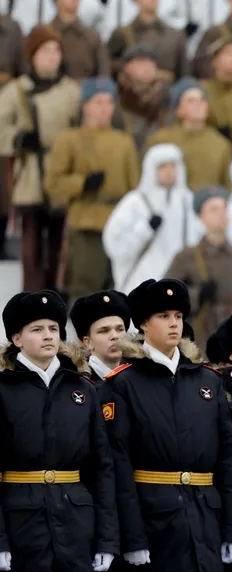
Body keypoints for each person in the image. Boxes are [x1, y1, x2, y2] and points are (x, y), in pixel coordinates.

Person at [99, 278, 232, 572]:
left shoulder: (207, 380)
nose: (174, 324)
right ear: (143, 324)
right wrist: (133, 537)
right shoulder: (123, 383)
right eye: (163, 316)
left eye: (178, 316)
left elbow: (228, 459)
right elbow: (118, 465)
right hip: (155, 519)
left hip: (206, 513)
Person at [0, 289, 118, 572]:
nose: (48, 336)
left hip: (77, 518)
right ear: (17, 339)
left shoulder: (83, 389)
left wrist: (107, 537)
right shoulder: (3, 389)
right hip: (21, 522)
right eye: (37, 329)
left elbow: (102, 468)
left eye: (53, 328)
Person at [44, 76, 141, 300]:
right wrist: (82, 183)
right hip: (86, 222)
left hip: (119, 222)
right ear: (85, 105)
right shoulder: (70, 139)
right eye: (98, 102)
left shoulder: (123, 142)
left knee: (117, 290)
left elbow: (135, 187)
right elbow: (53, 183)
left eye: (108, 102)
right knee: (86, 289)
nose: (104, 108)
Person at [0, 25, 80, 286]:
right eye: (46, 51)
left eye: (56, 50)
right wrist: (18, 138)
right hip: (30, 174)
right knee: (31, 246)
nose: (52, 56)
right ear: (33, 55)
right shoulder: (17, 90)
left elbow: (82, 131)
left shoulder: (71, 91)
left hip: (61, 174)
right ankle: (32, 301)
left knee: (59, 244)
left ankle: (55, 297)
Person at [102, 143, 201, 293]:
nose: (169, 172)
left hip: (176, 285)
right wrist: (145, 229)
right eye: (163, 167)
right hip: (140, 283)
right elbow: (114, 245)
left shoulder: (187, 201)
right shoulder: (135, 202)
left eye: (172, 166)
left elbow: (198, 240)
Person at [166, 186, 232, 350]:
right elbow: (165, 297)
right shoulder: (187, 256)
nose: (222, 214)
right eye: (214, 209)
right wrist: (196, 295)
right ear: (201, 217)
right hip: (198, 342)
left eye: (224, 208)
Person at [144, 77, 232, 190]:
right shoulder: (160, 140)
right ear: (178, 110)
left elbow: (227, 186)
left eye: (202, 100)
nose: (198, 105)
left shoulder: (220, 144)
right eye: (190, 101)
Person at [70, 289, 131, 382]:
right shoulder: (76, 384)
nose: (114, 336)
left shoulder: (139, 380)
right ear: (88, 342)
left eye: (120, 329)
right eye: (104, 331)